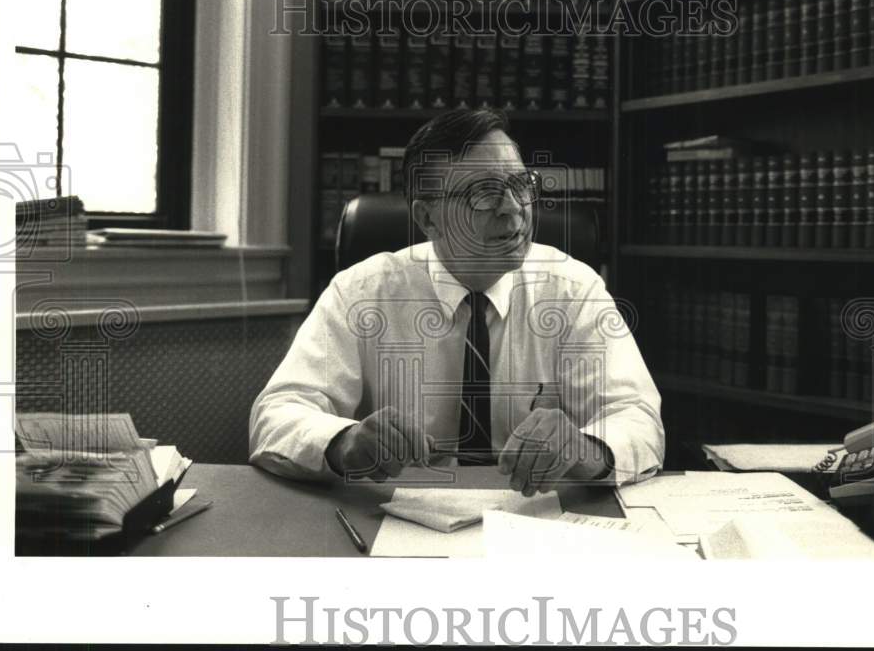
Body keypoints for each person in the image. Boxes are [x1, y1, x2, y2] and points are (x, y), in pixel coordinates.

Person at [249, 109, 664, 495]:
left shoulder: (572, 288)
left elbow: (639, 418)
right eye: (483, 195)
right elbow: (276, 415)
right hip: (399, 517)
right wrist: (343, 441)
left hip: (535, 519)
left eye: (521, 185)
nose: (514, 210)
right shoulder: (361, 292)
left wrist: (586, 449)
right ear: (428, 219)